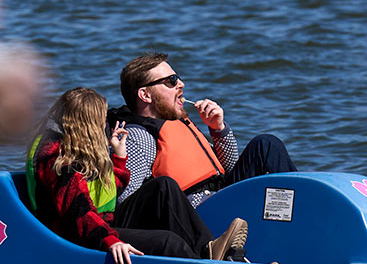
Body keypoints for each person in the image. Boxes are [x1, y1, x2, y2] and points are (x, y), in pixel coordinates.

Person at [26, 87, 249, 264]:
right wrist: (111, 241)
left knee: (163, 187)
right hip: (79, 235)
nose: (105, 126)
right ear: (86, 126)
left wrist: (119, 158)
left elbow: (106, 194)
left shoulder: (70, 147)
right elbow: (78, 210)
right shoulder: (57, 159)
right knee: (167, 242)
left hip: (99, 222)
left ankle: (210, 251)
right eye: (101, 121)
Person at [110, 53, 297, 207]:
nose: (180, 84)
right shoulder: (138, 136)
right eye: (171, 81)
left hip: (222, 195)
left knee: (265, 145)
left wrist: (218, 130)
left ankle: (300, 204)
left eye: (178, 78)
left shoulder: (179, 124)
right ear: (145, 95)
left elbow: (229, 168)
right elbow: (127, 201)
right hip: (199, 214)